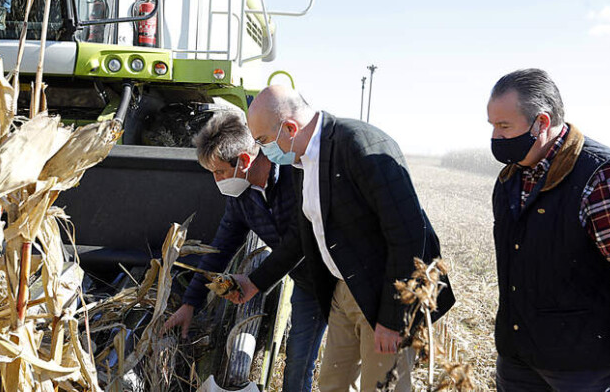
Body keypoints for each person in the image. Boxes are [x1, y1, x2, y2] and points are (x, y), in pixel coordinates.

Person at [227, 86, 455, 391]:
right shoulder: (300, 162)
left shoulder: (362, 146)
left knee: (382, 386)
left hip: (383, 292)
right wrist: (255, 282)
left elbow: (409, 236)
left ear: (290, 128)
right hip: (344, 291)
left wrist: (393, 317)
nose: (262, 150)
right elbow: (301, 238)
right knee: (332, 384)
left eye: (263, 141)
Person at [487, 68, 610, 391]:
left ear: (541, 123)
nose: (495, 138)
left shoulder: (601, 179)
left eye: (504, 126)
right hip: (518, 360)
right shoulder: (509, 179)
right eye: (492, 126)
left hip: (583, 370)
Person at [161, 109, 327, 392]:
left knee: (346, 362)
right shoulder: (242, 199)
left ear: (245, 161)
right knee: (298, 365)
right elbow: (219, 250)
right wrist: (190, 303)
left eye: (220, 172)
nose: (218, 181)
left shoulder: (295, 176)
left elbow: (299, 241)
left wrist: (254, 282)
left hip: (339, 276)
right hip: (308, 284)